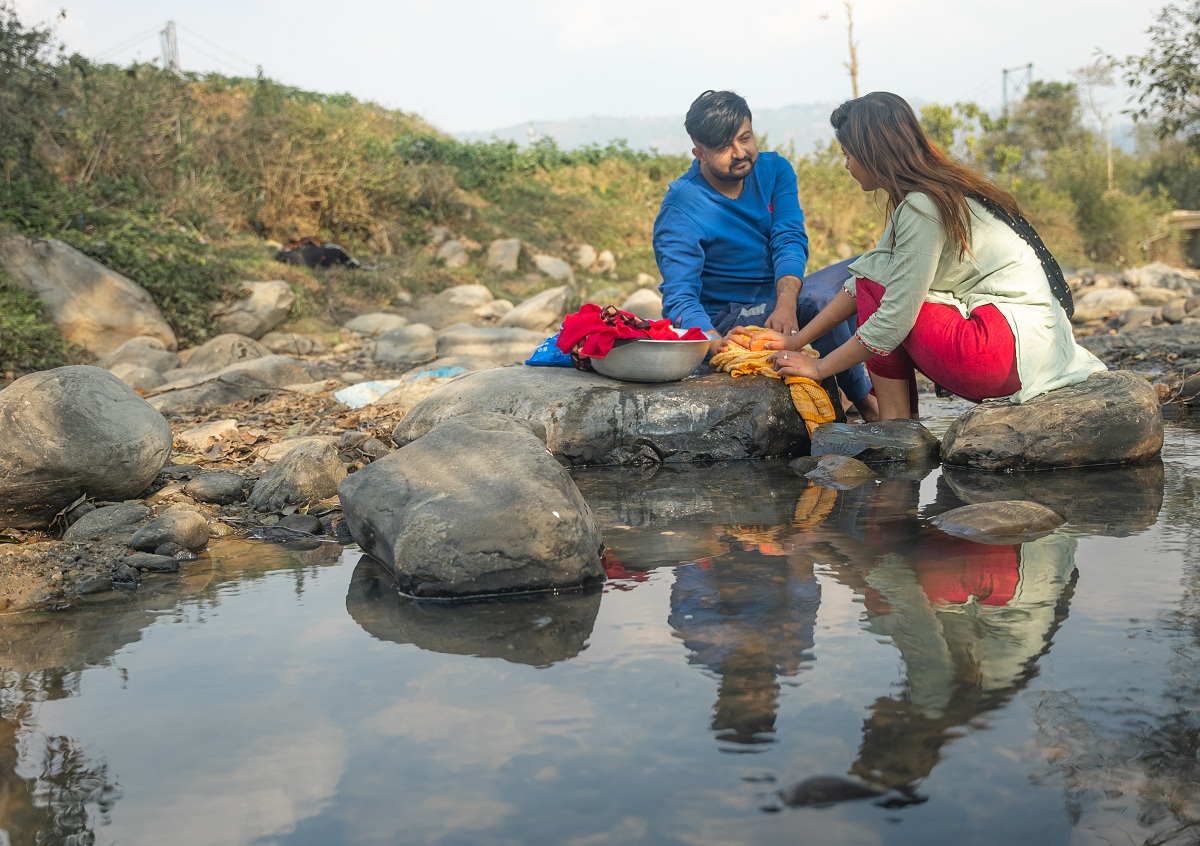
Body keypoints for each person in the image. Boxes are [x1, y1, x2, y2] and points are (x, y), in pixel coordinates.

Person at [740, 91, 1105, 420]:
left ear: (872, 154)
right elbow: (860, 283)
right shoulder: (930, 194)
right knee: (875, 284)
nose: (846, 165)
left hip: (998, 354)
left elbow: (890, 311)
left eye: (848, 155)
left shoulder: (921, 206)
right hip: (1023, 353)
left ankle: (897, 423)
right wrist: (796, 341)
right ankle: (897, 422)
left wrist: (819, 369)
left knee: (883, 295)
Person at [653, 89, 878, 421]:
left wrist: (786, 303)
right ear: (698, 153)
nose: (740, 152)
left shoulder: (774, 169)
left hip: (780, 297)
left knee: (876, 268)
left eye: (745, 138)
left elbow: (788, 237)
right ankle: (866, 403)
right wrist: (715, 343)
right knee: (819, 302)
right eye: (723, 148)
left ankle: (864, 382)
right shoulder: (682, 207)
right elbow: (679, 295)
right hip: (733, 315)